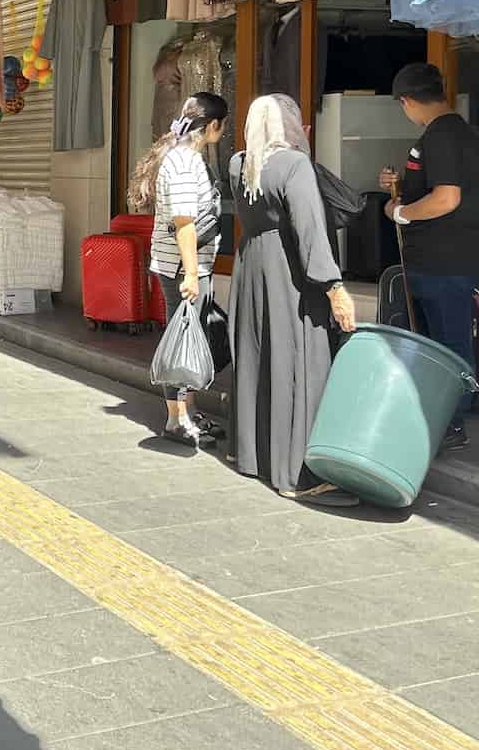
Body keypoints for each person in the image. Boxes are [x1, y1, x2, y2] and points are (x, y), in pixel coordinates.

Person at [230, 94, 359, 508]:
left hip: (250, 270)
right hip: (290, 277)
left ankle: (250, 455)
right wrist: (335, 288)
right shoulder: (294, 165)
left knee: (258, 362)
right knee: (300, 366)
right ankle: (296, 476)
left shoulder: (238, 164)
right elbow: (310, 233)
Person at [378, 62, 479, 451]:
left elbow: (446, 198)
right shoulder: (450, 133)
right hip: (439, 259)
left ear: (407, 101)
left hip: (447, 260)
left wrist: (401, 212)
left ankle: (452, 421)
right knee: (437, 344)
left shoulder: (443, 135)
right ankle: (439, 414)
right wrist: (401, 190)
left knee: (448, 344)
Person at [128, 92, 228, 448]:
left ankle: (188, 411)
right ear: (213, 125)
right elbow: (184, 222)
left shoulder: (181, 155)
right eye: (222, 125)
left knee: (191, 334)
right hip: (182, 266)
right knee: (182, 337)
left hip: (185, 263)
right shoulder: (185, 162)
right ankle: (175, 419)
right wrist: (189, 273)